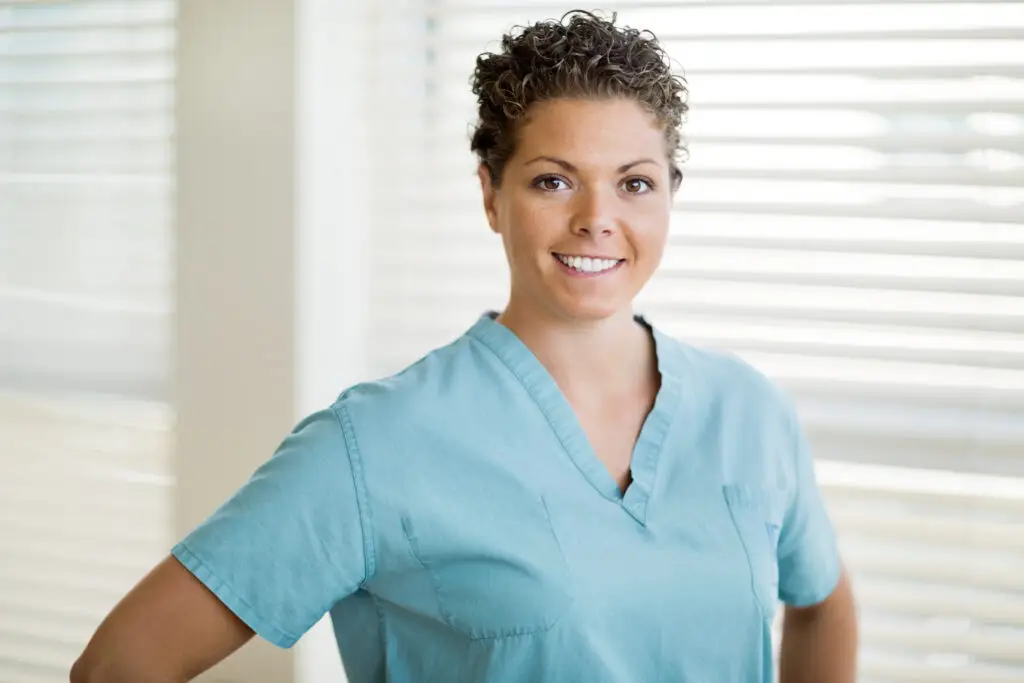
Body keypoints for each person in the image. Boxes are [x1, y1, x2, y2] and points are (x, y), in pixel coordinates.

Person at [71, 10, 858, 683]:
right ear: (491, 193)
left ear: (670, 196)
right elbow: (121, 663)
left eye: (635, 182)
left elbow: (821, 601)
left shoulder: (748, 411)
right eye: (553, 180)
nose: (597, 217)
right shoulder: (377, 445)